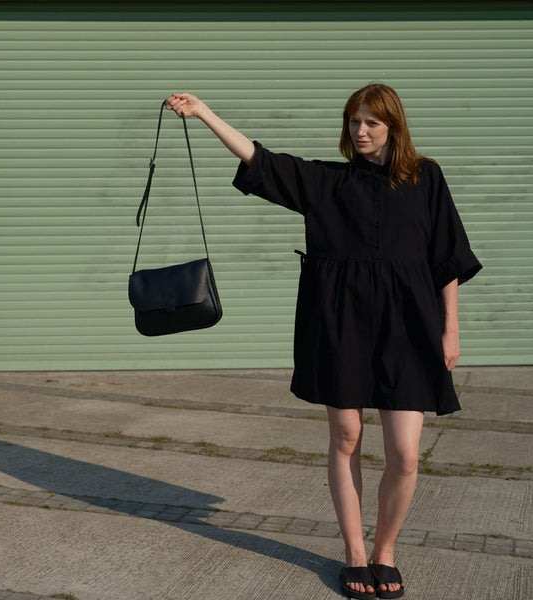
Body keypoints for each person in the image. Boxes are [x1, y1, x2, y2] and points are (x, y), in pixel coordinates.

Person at [166, 86, 481, 599]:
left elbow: (448, 258)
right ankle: (356, 554)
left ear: (393, 126)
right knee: (347, 436)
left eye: (371, 122)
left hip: (409, 326)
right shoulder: (327, 181)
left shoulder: (426, 177)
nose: (361, 131)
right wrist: (203, 113)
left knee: (404, 454)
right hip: (342, 325)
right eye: (354, 121)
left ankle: (385, 552)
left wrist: (451, 328)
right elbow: (260, 160)